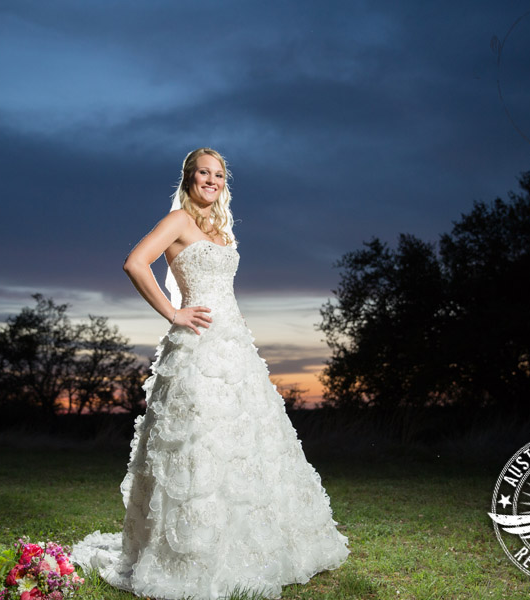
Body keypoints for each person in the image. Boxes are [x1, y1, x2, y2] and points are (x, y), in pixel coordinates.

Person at [70, 148, 349, 599]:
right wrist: (173, 313)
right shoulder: (178, 220)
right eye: (204, 173)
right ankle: (193, 548)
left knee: (246, 441)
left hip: (235, 345)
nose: (212, 181)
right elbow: (135, 263)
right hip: (197, 346)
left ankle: (254, 547)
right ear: (189, 177)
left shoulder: (220, 229)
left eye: (219, 175)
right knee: (199, 440)